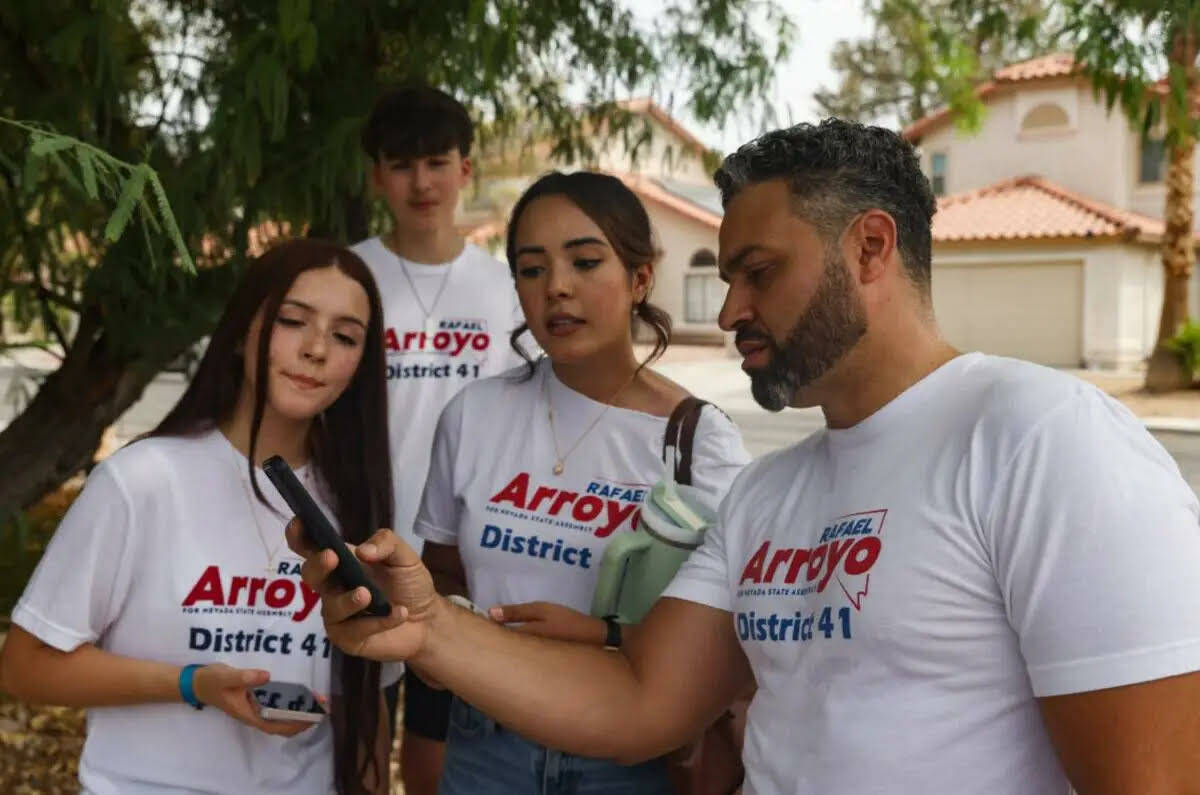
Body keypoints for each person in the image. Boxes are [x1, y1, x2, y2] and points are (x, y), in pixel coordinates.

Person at [291, 119, 1200, 795]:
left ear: (871, 248)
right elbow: (643, 700)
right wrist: (433, 630)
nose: (728, 312)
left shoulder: (1041, 439)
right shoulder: (770, 493)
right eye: (727, 279)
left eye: (757, 272)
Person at [0, 239, 397, 794]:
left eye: (345, 336)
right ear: (240, 333)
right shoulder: (142, 480)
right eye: (292, 320)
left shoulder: (359, 500)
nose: (316, 349)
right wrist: (192, 684)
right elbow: (26, 664)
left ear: (361, 363)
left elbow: (367, 696)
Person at [409, 170, 751, 794]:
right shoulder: (473, 415)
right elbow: (443, 570)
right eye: (532, 270)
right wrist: (447, 629)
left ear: (640, 277)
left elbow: (727, 636)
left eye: (586, 262)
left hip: (628, 762)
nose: (557, 288)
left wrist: (604, 637)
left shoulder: (698, 440)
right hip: (484, 742)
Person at [351, 85, 526, 794]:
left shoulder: (508, 289)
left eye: (436, 161)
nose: (421, 182)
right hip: (360, 536)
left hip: (460, 554)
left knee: (436, 749)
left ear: (465, 170)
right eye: (401, 164)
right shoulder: (349, 275)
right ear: (375, 177)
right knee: (358, 740)